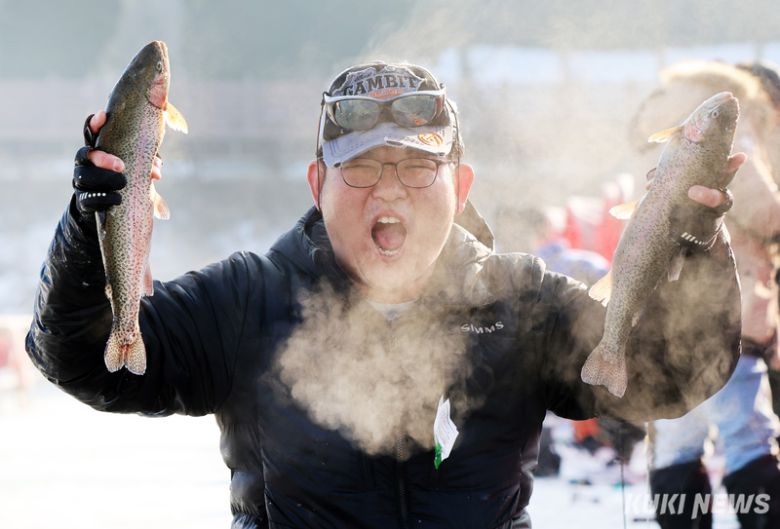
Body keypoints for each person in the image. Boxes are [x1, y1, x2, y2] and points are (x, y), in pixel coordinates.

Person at [27, 61, 742, 529]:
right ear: (318, 185)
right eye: (363, 167)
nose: (391, 187)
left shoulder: (520, 302)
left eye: (416, 165)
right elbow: (80, 356)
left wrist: (698, 246)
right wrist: (94, 226)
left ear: (460, 188)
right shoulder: (248, 299)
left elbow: (669, 376)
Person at [630, 60, 780, 529]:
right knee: (747, 438)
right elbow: (764, 211)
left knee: (676, 443)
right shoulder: (728, 124)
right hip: (723, 312)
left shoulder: (663, 122)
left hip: (663, 319)